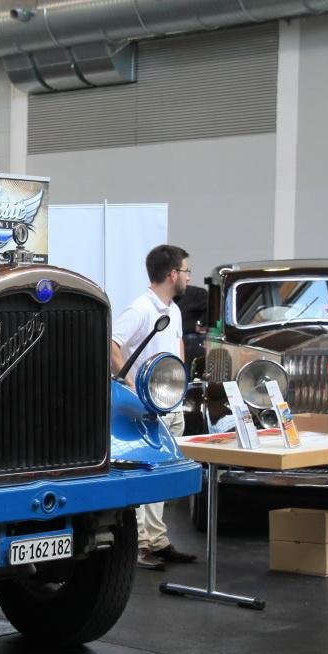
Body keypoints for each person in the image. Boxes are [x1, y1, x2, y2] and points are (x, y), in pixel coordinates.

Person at [111, 244, 196, 571]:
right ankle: (140, 544)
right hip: (147, 409)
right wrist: (132, 384)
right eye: (186, 270)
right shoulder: (141, 309)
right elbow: (112, 344)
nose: (189, 277)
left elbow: (177, 345)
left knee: (162, 475)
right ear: (173, 274)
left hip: (170, 406)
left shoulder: (173, 310)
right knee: (145, 474)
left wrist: (179, 382)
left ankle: (157, 540)